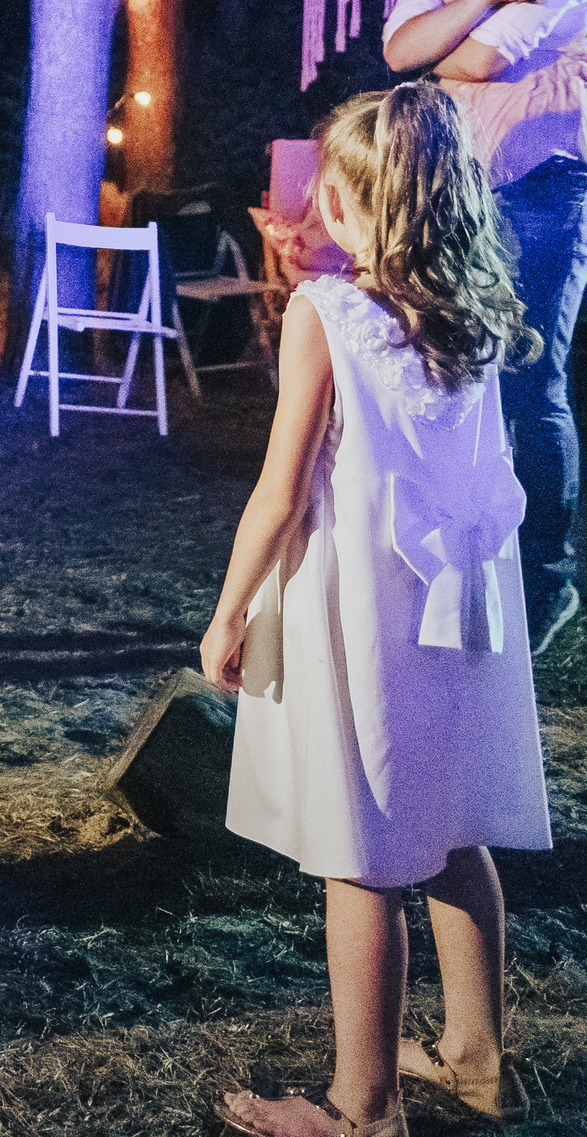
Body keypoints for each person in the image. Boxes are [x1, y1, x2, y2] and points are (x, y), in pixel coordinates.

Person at [206, 84, 551, 1137]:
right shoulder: (476, 314)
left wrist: (226, 617)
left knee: (360, 853)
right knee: (447, 827)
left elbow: (278, 490)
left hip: (363, 611)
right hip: (460, 611)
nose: (316, 209)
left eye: (334, 193)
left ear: (375, 204)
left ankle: (364, 1108)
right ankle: (474, 1057)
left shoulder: (328, 316)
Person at [382, 0, 587, 657]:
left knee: (530, 383)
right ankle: (475, 565)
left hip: (546, 191)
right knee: (456, 376)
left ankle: (547, 578)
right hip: (458, 196)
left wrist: (453, 37)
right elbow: (401, 52)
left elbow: (481, 64)